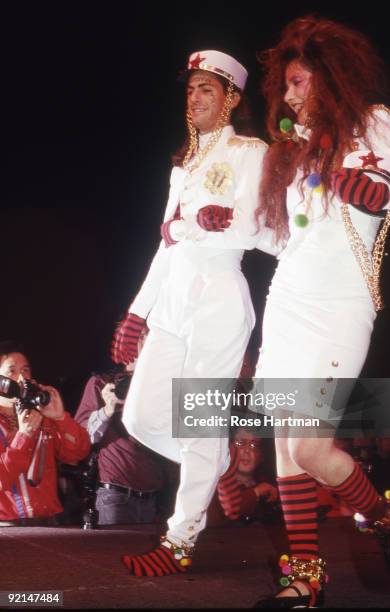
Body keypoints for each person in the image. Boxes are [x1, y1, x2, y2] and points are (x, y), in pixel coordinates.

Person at [250, 15, 390, 608]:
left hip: (343, 306)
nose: (290, 95)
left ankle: (383, 517)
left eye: (298, 82)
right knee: (284, 447)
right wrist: (205, 228)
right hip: (287, 300)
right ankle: (306, 576)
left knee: (311, 448)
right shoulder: (291, 152)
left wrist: (385, 196)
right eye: (288, 85)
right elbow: (283, 239)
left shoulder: (372, 124)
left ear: (328, 78)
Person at [111, 49, 275, 576]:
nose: (196, 96)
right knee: (140, 416)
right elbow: (165, 243)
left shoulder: (251, 151)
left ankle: (179, 539)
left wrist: (212, 222)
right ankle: (216, 462)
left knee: (199, 420)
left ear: (231, 98)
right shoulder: (182, 163)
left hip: (220, 292)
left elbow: (263, 230)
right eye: (191, 89)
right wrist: (137, 312)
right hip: (175, 295)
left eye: (208, 87)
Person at [0, 341, 90, 524]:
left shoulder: (41, 415)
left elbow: (77, 453)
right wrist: (24, 436)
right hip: (7, 527)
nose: (21, 378)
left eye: (26, 370)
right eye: (12, 371)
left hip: (49, 522)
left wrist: (60, 419)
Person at [74, 364, 164, 525]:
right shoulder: (101, 382)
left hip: (155, 497)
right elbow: (80, 439)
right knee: (115, 550)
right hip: (115, 496)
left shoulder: (159, 381)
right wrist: (107, 410)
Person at [207, 426, 278, 526]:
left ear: (262, 454)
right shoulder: (212, 486)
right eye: (241, 443)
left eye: (254, 444)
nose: (247, 451)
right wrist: (256, 493)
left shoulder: (272, 489)